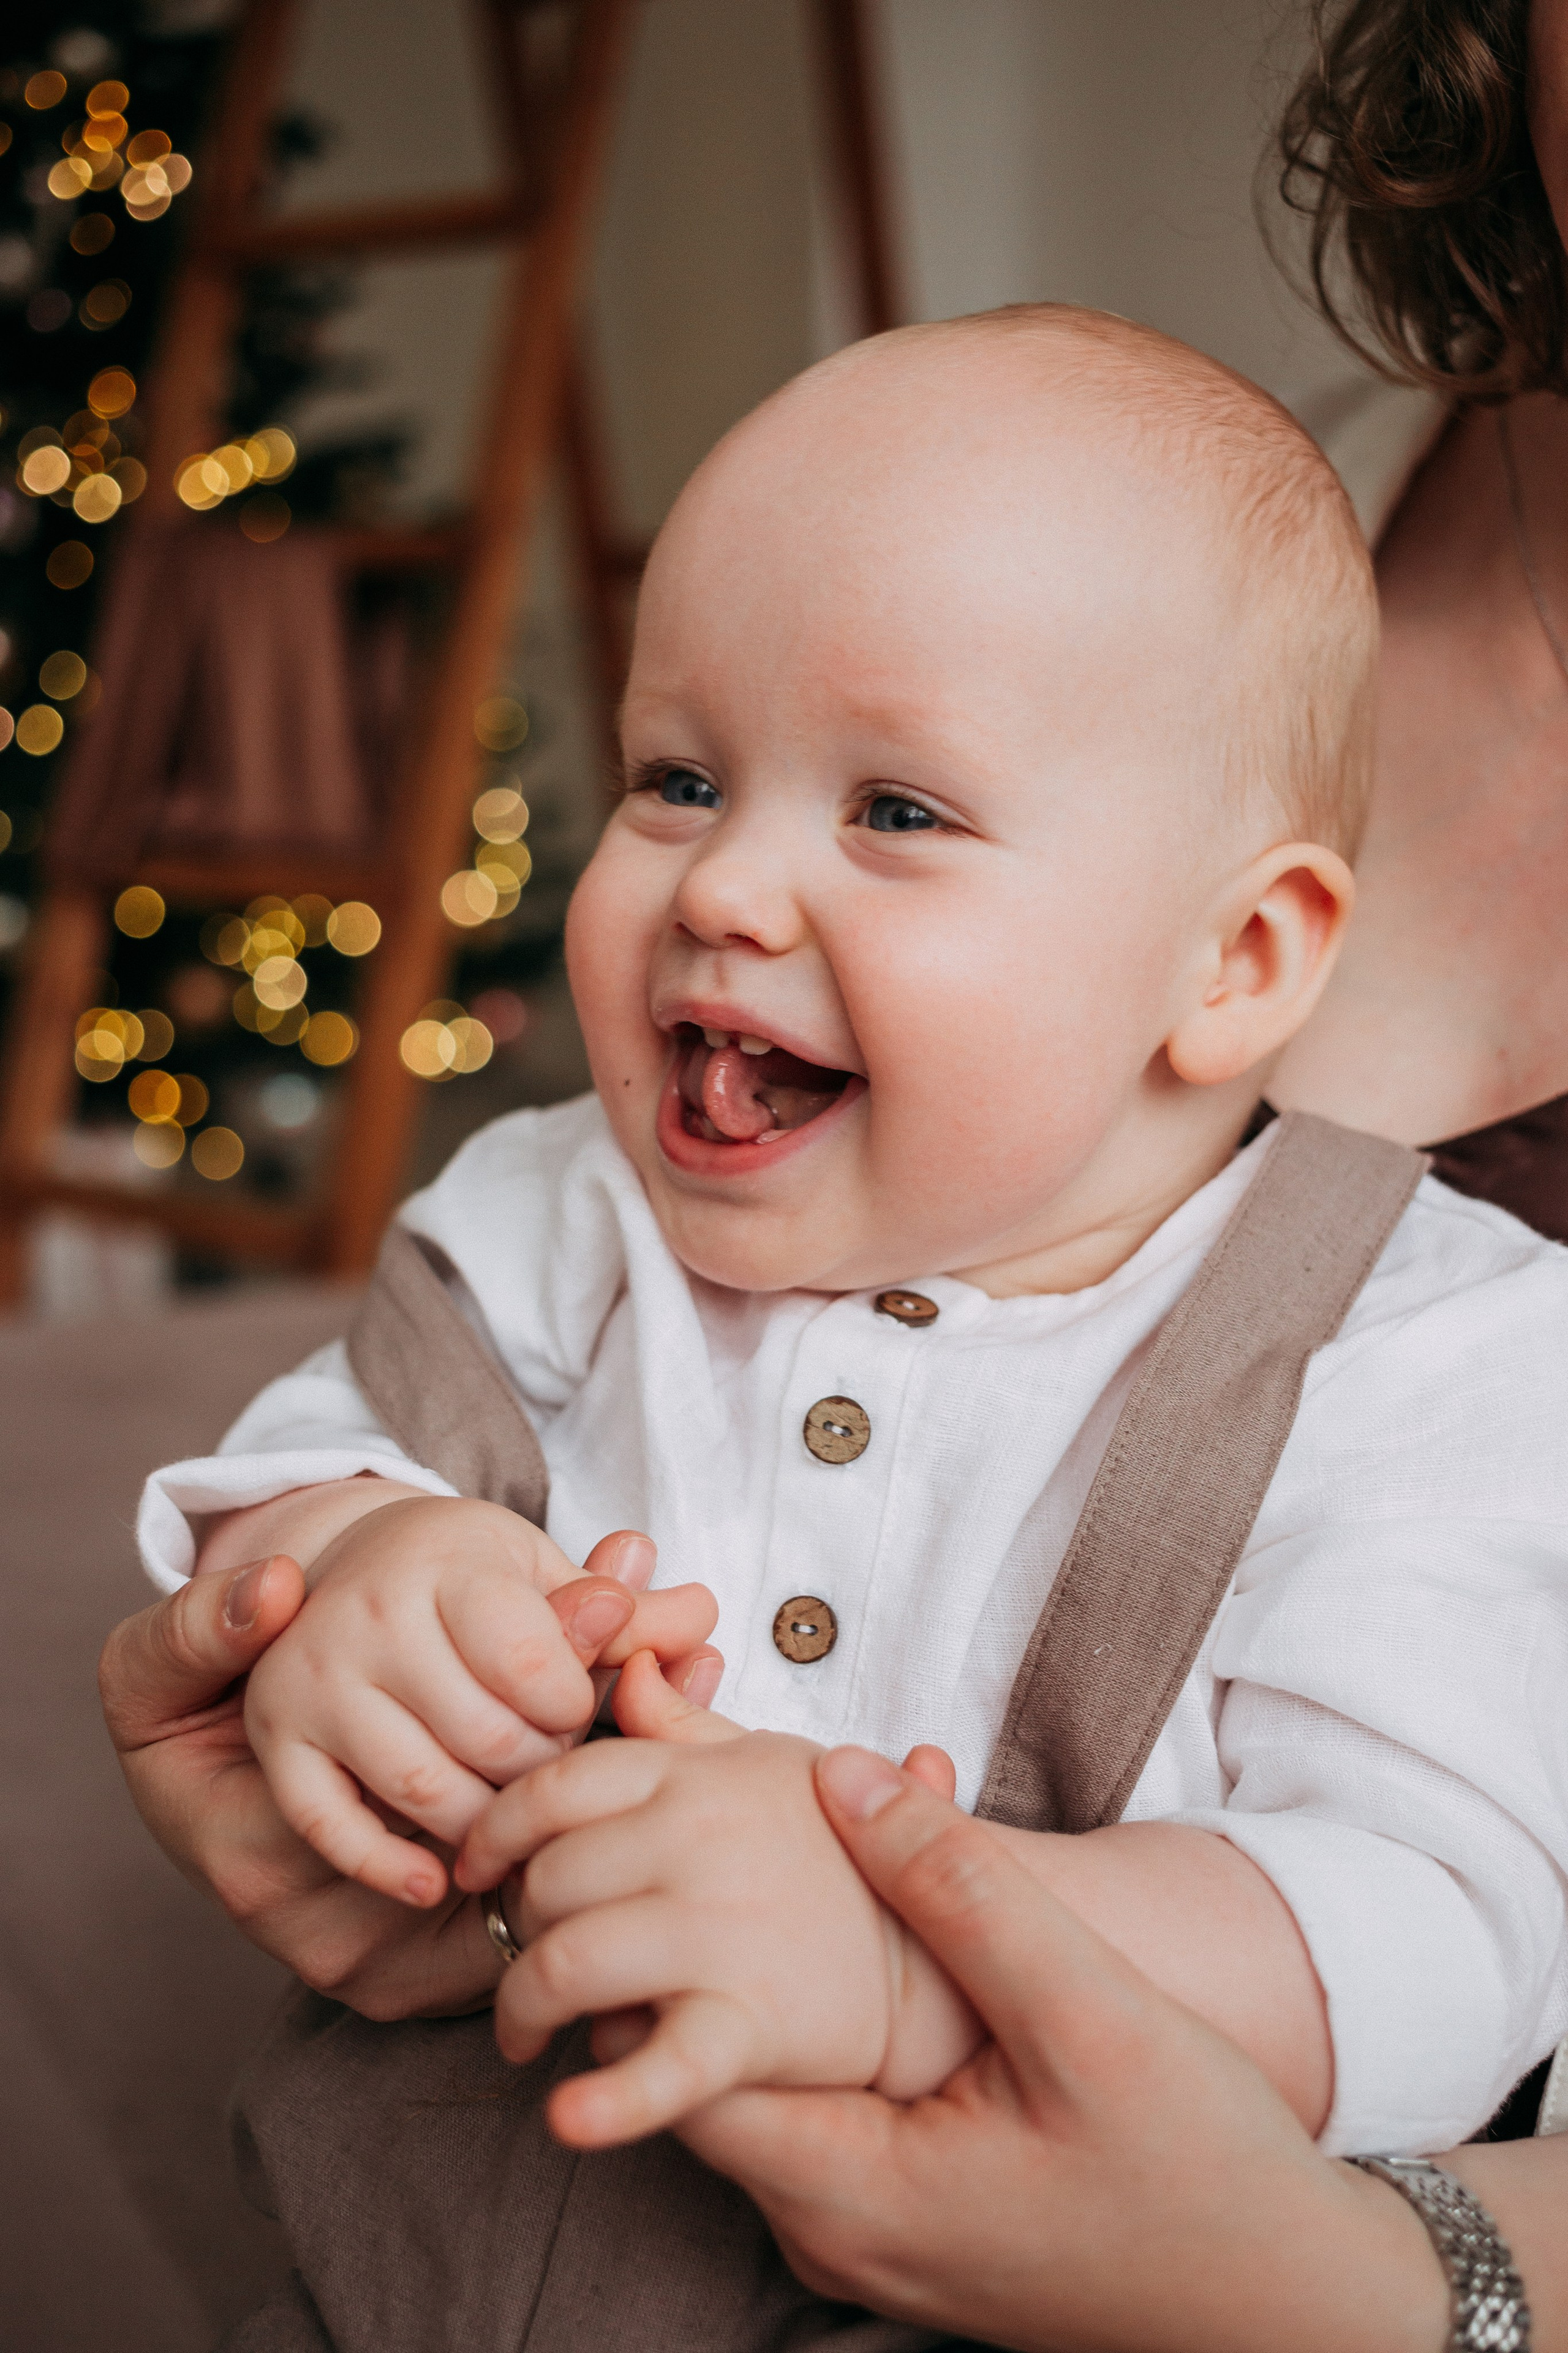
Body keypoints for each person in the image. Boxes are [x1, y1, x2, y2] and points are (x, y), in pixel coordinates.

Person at [125, 308, 1568, 2352]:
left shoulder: (1434, 1356)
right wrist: (361, 1566)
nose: (729, 884)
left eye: (894, 810)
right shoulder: (566, 1212)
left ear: (1234, 957)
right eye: (679, 775)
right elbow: (280, 1478)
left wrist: (911, 1957)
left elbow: (1436, 1935)